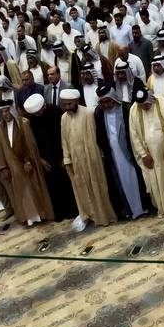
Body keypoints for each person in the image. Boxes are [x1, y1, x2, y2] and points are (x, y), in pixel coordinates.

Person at [57, 90, 116, 226]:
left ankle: (103, 216)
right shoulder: (64, 118)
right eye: (65, 104)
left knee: (96, 186)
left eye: (69, 104)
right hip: (75, 160)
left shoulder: (88, 113)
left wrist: (94, 158)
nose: (67, 107)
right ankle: (90, 215)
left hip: (91, 158)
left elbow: (93, 139)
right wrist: (67, 159)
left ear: (77, 101)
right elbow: (64, 140)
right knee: (81, 188)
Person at [93, 86, 152, 219]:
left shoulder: (126, 108)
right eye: (103, 102)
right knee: (120, 182)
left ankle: (143, 207)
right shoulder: (99, 112)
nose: (106, 105)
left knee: (136, 178)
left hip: (130, 152)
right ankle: (130, 210)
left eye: (108, 101)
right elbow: (100, 135)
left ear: (114, 98)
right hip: (113, 156)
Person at [19, 93, 77, 220]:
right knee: (52, 186)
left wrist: (65, 155)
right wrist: (40, 159)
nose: (39, 115)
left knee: (67, 183)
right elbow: (32, 143)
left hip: (61, 154)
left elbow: (65, 135)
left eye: (40, 112)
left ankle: (73, 211)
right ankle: (59, 214)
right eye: (36, 114)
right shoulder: (31, 120)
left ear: (44, 106)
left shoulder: (56, 112)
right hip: (45, 159)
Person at [129, 87, 164, 218]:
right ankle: (163, 208)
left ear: (151, 99)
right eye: (142, 105)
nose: (145, 107)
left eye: (147, 104)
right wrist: (143, 155)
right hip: (150, 156)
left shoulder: (162, 103)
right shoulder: (134, 110)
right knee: (154, 180)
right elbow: (134, 135)